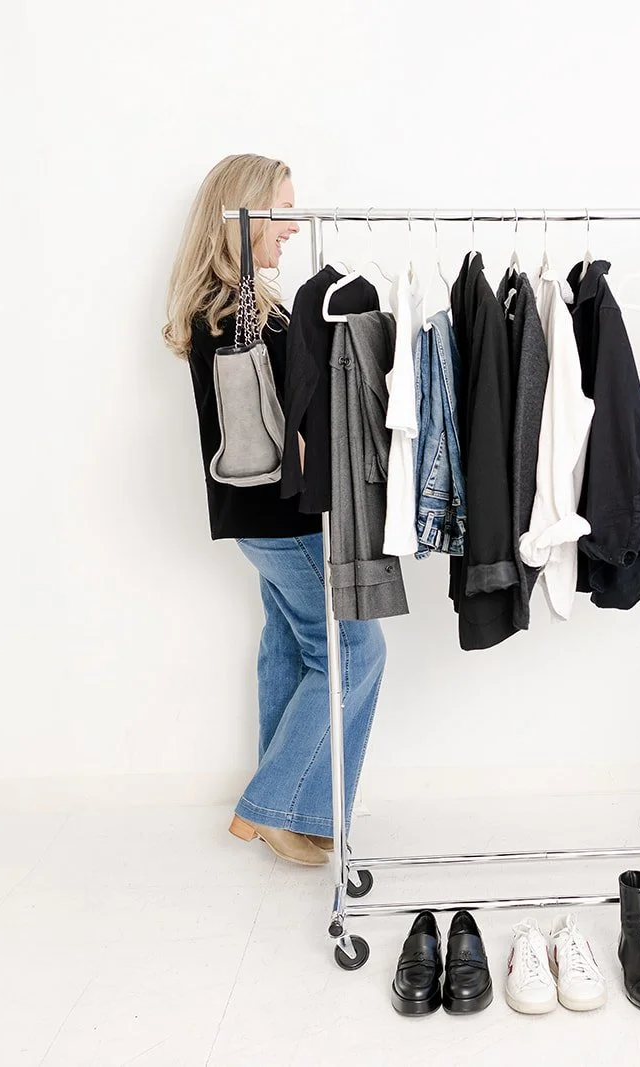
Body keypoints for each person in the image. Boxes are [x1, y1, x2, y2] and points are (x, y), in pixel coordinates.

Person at [163, 154, 386, 867]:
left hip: (252, 516)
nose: (291, 228)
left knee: (291, 649)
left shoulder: (222, 308)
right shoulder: (243, 314)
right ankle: (268, 804)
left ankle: (298, 814)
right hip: (283, 515)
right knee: (354, 652)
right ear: (244, 216)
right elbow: (283, 423)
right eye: (280, 213)